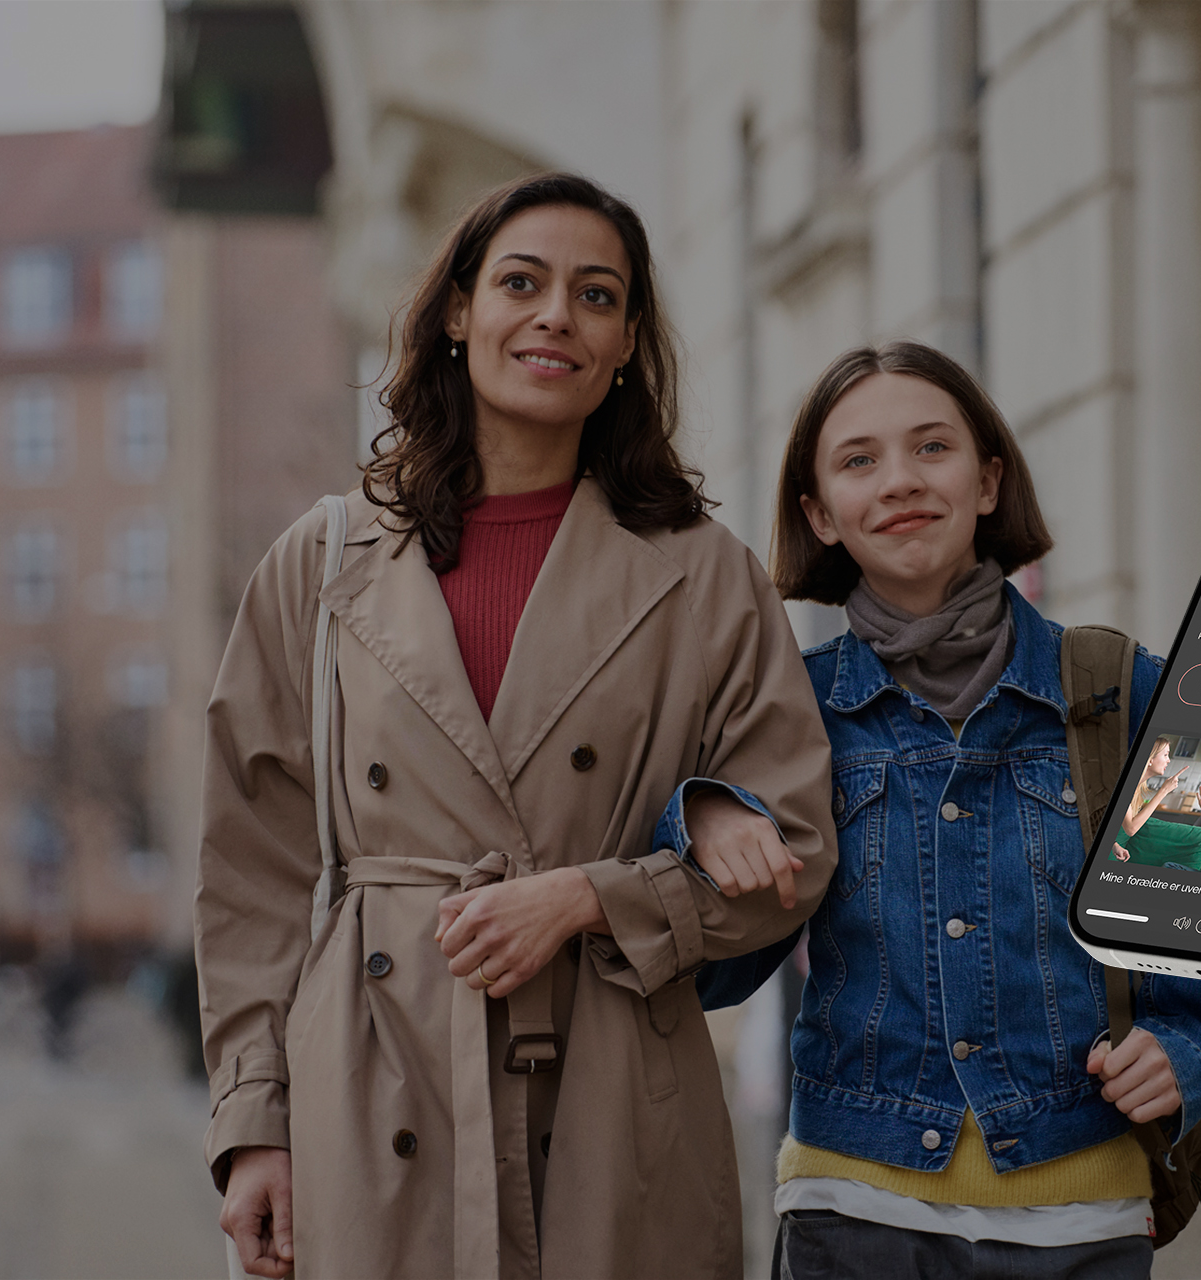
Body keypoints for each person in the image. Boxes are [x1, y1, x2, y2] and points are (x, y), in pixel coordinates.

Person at [197, 173, 836, 1280]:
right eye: (522, 282)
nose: (557, 316)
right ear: (457, 309)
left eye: (596, 295)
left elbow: (797, 849)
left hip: (615, 1073)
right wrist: (256, 1119)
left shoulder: (702, 573)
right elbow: (251, 859)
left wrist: (594, 895)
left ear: (628, 340)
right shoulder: (325, 557)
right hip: (377, 1066)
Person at [697, 342, 1201, 1279]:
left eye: (933, 448)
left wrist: (1189, 1046)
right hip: (851, 1213)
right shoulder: (783, 715)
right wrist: (705, 819)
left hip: (1079, 1217)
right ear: (819, 514)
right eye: (858, 461)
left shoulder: (1138, 691)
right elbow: (718, 973)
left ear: (989, 480)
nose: (900, 483)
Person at [1113, 738, 1201, 871]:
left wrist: (1113, 845)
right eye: (1165, 755)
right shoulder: (1127, 786)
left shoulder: (1138, 788)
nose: (1169, 760)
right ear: (1149, 759)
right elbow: (1130, 829)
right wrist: (1164, 790)